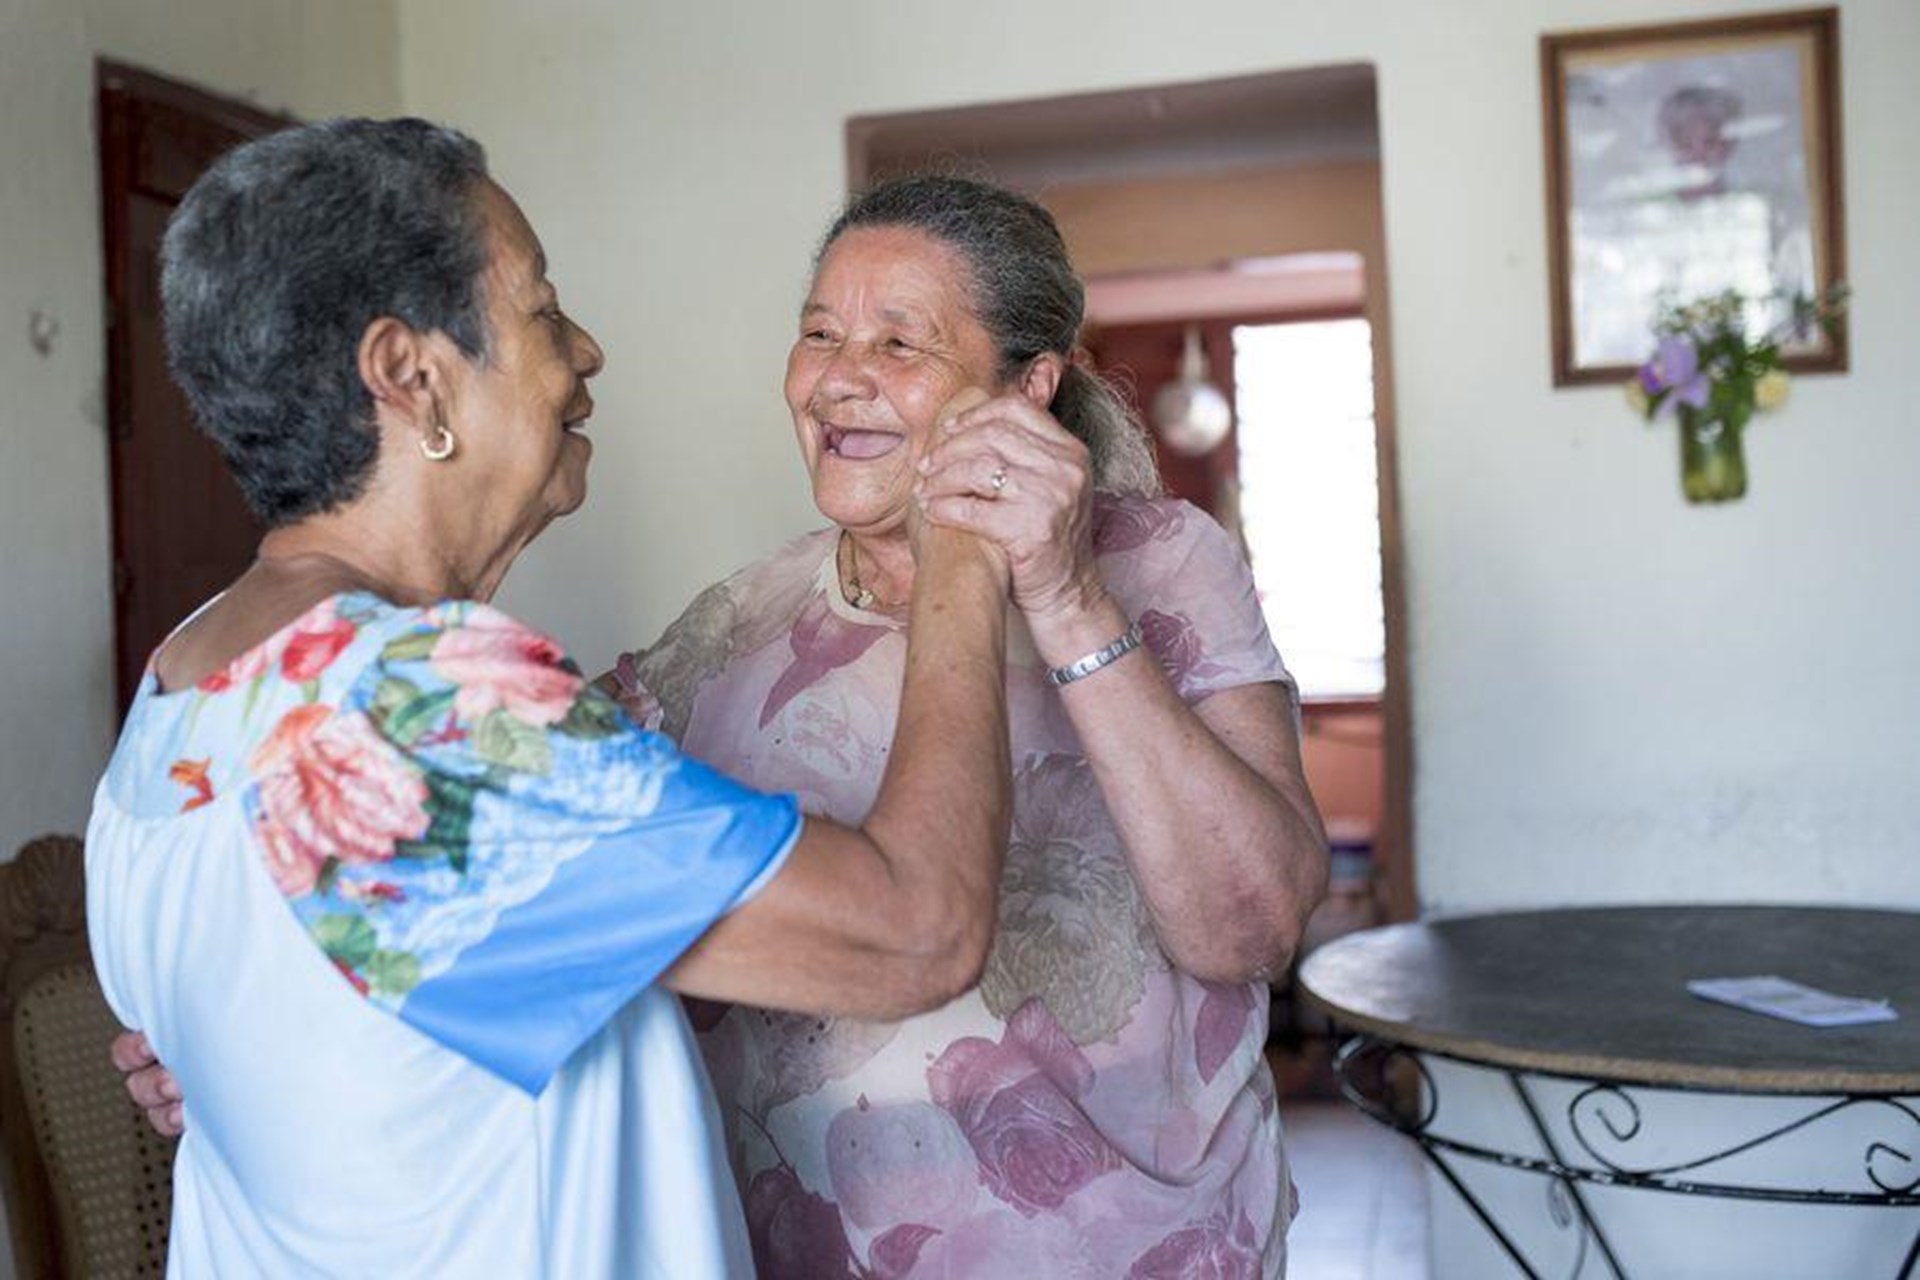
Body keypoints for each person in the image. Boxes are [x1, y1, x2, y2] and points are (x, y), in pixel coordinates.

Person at [89, 120, 1017, 1278]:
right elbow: (915, 929)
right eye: (539, 309)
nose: (585, 349)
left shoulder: (182, 682)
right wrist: (965, 549)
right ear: (409, 374)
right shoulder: (422, 712)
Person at [609, 175, 1330, 1278]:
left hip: (1145, 1249)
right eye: (818, 334)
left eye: (901, 344)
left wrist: (1069, 595)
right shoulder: (729, 628)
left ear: (1029, 384)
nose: (839, 380)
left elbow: (1254, 929)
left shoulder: (1164, 564)